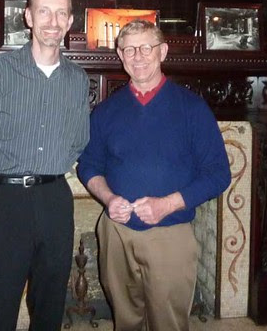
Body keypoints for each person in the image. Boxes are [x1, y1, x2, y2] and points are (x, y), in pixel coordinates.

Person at [77, 19, 231, 331]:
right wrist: (108, 199)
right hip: (116, 232)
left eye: (146, 48)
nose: (138, 56)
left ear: (162, 52)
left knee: (168, 324)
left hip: (170, 233)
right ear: (120, 55)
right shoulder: (106, 111)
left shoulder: (192, 108)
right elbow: (88, 166)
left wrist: (166, 205)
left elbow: (218, 174)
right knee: (126, 320)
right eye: (129, 49)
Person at [0, 0, 90, 331]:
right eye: (44, 11)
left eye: (61, 13)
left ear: (70, 21)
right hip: (4, 201)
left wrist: (50, 167)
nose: (53, 21)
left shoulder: (78, 80)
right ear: (29, 17)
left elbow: (79, 140)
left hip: (54, 199)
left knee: (50, 303)